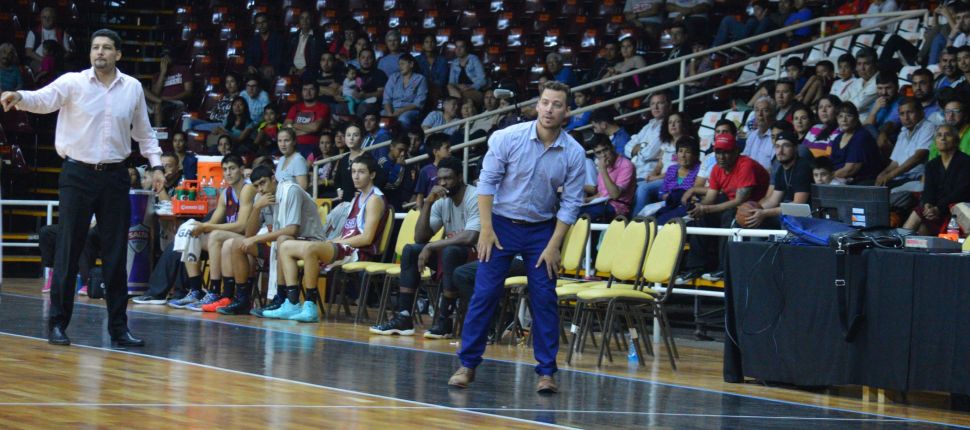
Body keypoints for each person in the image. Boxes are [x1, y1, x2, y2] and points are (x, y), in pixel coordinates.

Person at [1, 28, 165, 349]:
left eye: (106, 47)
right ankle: (58, 324)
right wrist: (19, 96)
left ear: (118, 54)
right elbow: (43, 99)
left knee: (116, 254)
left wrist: (156, 165)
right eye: (95, 47)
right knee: (68, 250)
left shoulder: (132, 88)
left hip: (115, 176)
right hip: (77, 175)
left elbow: (144, 133)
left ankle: (119, 328)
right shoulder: (73, 82)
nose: (99, 52)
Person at [448, 81, 585, 394]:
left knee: (545, 299)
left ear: (566, 111)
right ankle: (467, 365)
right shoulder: (507, 137)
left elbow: (571, 203)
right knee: (484, 294)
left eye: (557, 105)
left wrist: (554, 245)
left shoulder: (574, 153)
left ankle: (546, 372)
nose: (549, 109)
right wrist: (485, 229)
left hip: (542, 229)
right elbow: (486, 184)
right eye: (545, 102)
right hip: (500, 224)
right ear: (537, 105)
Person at [371, 156, 479, 337]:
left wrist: (431, 247)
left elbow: (470, 236)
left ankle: (445, 320)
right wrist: (428, 203)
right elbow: (420, 237)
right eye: (440, 179)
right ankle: (404, 317)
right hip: (452, 254)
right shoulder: (442, 200)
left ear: (460, 177)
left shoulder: (474, 196)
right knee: (411, 250)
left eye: (448, 178)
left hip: (477, 255)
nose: (442, 183)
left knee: (450, 251)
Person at [275, 156, 387, 322]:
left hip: (358, 252)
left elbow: (366, 238)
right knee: (285, 246)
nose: (356, 176)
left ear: (372, 175)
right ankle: (292, 302)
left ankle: (310, 305)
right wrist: (331, 242)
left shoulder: (374, 200)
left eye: (361, 172)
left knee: (311, 248)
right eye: (354, 172)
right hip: (345, 246)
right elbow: (347, 233)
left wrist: (333, 242)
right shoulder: (358, 198)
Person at [678, 133, 769, 282]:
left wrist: (706, 209)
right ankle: (695, 267)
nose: (721, 157)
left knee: (729, 216)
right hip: (733, 203)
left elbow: (739, 200)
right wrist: (698, 208)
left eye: (726, 152)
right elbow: (711, 198)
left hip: (754, 206)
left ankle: (723, 268)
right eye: (718, 152)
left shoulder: (745, 165)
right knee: (700, 217)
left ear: (736, 151)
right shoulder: (716, 168)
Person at [903, 124, 970, 234]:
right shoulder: (931, 165)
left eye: (947, 135)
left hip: (956, 210)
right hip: (935, 210)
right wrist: (928, 205)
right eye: (939, 135)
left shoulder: (966, 162)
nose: (943, 138)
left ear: (956, 141)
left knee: (923, 226)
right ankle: (899, 241)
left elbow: (961, 192)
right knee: (920, 222)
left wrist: (938, 208)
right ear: (935, 142)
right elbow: (928, 190)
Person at [741, 131, 813, 229]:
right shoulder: (781, 169)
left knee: (767, 220)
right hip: (791, 215)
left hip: (808, 217)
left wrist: (764, 213)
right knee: (751, 220)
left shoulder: (802, 167)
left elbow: (798, 205)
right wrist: (753, 210)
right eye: (777, 146)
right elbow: (773, 201)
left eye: (786, 146)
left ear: (795, 148)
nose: (780, 151)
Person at [875, 98, 934, 188]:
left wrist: (890, 176)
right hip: (900, 178)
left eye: (910, 112)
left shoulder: (928, 127)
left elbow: (918, 157)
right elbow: (895, 162)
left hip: (915, 179)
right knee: (869, 185)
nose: (906, 118)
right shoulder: (903, 132)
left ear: (921, 113)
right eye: (902, 114)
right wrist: (883, 174)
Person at [581, 135, 636, 221]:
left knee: (582, 215)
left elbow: (615, 195)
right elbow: (602, 194)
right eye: (598, 153)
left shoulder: (626, 165)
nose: (603, 155)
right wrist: (586, 200)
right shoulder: (605, 165)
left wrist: (603, 170)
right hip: (602, 205)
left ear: (612, 147)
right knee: (573, 210)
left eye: (605, 150)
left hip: (618, 208)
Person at [831, 102, 884, 184]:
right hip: (839, 179)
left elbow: (850, 170)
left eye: (848, 116)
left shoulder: (861, 136)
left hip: (862, 181)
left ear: (856, 118)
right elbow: (831, 164)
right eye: (840, 116)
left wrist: (828, 176)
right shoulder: (838, 138)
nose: (844, 120)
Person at [143, 48, 193, 126]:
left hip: (175, 101)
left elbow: (188, 91)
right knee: (140, 87)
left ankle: (159, 131)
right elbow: (154, 94)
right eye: (163, 56)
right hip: (160, 101)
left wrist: (170, 98)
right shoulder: (157, 75)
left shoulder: (183, 70)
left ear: (172, 57)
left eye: (167, 56)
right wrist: (163, 73)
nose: (165, 58)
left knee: (157, 105)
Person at [285, 82, 331, 158]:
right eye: (305, 89)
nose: (308, 92)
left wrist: (293, 126)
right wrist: (309, 130)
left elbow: (315, 127)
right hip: (294, 145)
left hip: (313, 146)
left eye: (311, 89)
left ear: (317, 91)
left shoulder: (323, 107)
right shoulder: (295, 107)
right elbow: (286, 127)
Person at [382, 53, 427, 130]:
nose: (400, 67)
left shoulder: (420, 79)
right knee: (380, 116)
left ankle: (403, 137)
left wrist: (401, 111)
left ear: (411, 64)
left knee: (403, 119)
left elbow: (418, 102)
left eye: (403, 64)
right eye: (399, 64)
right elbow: (386, 98)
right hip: (393, 109)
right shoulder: (394, 77)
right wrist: (390, 114)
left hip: (410, 110)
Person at [24, 7, 74, 71]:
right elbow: (28, 52)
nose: (47, 20)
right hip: (38, 60)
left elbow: (68, 52)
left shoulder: (61, 33)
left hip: (57, 62)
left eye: (50, 17)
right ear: (40, 18)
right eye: (44, 17)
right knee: (43, 69)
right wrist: (45, 61)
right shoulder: (33, 32)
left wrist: (57, 61)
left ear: (54, 18)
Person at [377, 139, 417, 210]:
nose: (403, 154)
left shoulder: (408, 164)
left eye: (405, 151)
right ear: (391, 147)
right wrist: (399, 166)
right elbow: (390, 185)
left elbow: (409, 185)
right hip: (384, 205)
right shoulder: (382, 163)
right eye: (400, 150)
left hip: (400, 204)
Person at [245, 12, 285, 81]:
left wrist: (272, 66)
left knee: (268, 75)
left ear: (268, 22)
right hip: (258, 68)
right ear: (256, 25)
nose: (261, 25)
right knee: (248, 75)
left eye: (263, 22)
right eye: (258, 23)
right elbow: (249, 56)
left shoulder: (278, 38)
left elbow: (280, 57)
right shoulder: (254, 40)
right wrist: (250, 65)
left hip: (273, 68)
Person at [414, 134, 451, 207]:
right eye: (447, 148)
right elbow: (420, 196)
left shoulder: (452, 168)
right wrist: (420, 212)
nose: (450, 150)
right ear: (435, 152)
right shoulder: (425, 171)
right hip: (432, 210)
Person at [741, 96, 777, 171]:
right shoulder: (752, 135)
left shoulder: (776, 137)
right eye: (757, 110)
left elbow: (775, 168)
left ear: (773, 115)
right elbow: (745, 159)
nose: (760, 114)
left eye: (765, 110)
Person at [447, 38, 486, 105]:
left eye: (461, 47)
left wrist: (469, 87)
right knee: (449, 86)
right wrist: (459, 86)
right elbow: (451, 82)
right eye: (456, 47)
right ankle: (458, 100)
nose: (458, 50)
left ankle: (457, 102)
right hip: (458, 90)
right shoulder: (454, 63)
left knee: (456, 98)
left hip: (473, 90)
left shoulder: (474, 59)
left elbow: (483, 80)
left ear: (466, 48)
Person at [287, 11, 320, 76]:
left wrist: (305, 69)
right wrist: (291, 67)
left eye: (307, 18)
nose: (304, 21)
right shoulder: (293, 37)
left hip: (308, 71)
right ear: (299, 21)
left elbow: (317, 59)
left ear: (311, 20)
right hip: (293, 70)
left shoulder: (317, 38)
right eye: (302, 18)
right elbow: (287, 56)